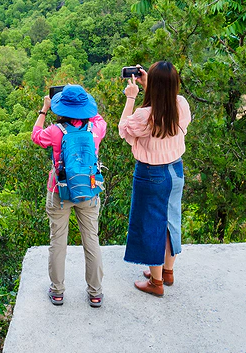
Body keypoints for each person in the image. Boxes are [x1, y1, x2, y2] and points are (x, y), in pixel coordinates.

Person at [118, 61, 191, 297]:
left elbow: (124, 129)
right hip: (175, 170)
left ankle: (156, 283)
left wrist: (131, 97)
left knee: (152, 225)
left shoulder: (144, 115)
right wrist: (151, 84)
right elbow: (169, 110)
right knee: (171, 221)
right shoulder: (181, 104)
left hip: (151, 173)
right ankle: (167, 272)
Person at [32, 84, 107, 307]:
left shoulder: (56, 131)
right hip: (89, 190)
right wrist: (85, 100)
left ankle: (57, 291)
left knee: (58, 240)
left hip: (59, 191)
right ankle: (95, 293)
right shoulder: (96, 128)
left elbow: (36, 136)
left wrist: (44, 109)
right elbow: (97, 116)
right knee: (91, 239)